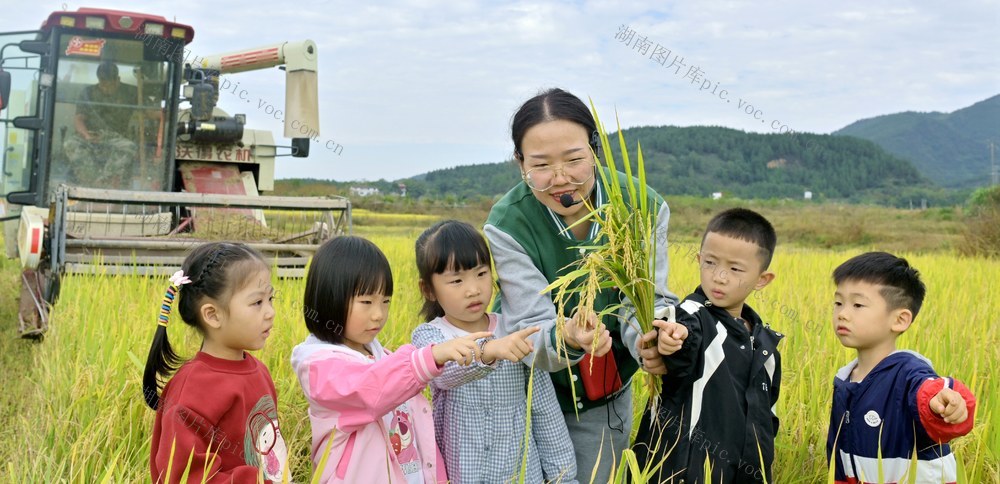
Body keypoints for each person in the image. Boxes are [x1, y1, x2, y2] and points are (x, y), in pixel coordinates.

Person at [484, 87, 679, 482]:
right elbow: (530, 328)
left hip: (604, 392)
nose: (560, 179)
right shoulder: (508, 224)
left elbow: (645, 299)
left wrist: (652, 339)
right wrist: (570, 336)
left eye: (574, 160)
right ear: (520, 163)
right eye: (540, 165)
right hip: (529, 393)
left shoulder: (641, 205)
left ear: (594, 150)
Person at [290, 235, 492, 483]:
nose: (378, 315)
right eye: (366, 302)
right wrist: (431, 355)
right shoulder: (320, 367)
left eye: (385, 302)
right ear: (329, 297)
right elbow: (370, 391)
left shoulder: (379, 355)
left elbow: (418, 429)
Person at [410, 220, 578, 483]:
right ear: (428, 289)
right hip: (462, 474)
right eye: (456, 280)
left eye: (481, 273)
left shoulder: (516, 331)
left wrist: (564, 477)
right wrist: (490, 350)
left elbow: (544, 409)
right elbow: (444, 375)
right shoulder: (430, 338)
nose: (473, 289)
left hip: (521, 474)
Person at [633, 208, 782, 483]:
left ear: (762, 279)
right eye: (710, 263)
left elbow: (766, 420)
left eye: (735, 269)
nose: (719, 277)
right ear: (699, 259)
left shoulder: (765, 346)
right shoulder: (691, 316)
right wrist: (672, 339)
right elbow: (681, 336)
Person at [143, 242, 288, 482]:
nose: (270, 311)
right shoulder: (192, 390)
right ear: (213, 315)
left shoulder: (259, 371)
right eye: (257, 302)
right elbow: (185, 475)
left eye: (270, 299)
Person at [827, 252, 976, 483]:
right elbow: (839, 459)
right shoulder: (845, 381)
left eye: (857, 304)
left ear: (900, 319)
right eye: (838, 303)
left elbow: (931, 391)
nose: (842, 314)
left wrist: (945, 403)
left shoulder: (909, 373)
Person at [63, 60, 138, 186]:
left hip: (116, 137)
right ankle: (92, 180)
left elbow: (150, 112)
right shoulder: (88, 92)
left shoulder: (131, 92)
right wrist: (86, 135)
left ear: (117, 80)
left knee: (129, 147)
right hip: (90, 135)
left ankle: (105, 179)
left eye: (109, 85)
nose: (105, 88)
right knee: (70, 144)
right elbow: (79, 118)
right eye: (102, 84)